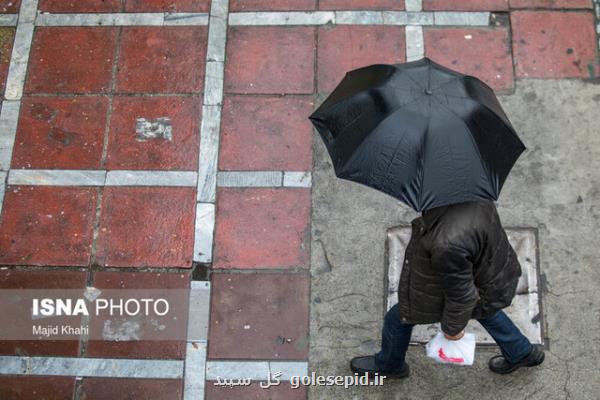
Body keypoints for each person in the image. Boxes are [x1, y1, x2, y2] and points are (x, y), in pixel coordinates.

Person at [350, 200, 544, 378]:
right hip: (488, 274)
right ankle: (521, 352)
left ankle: (389, 366)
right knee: (484, 309)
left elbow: (462, 296)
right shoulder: (479, 197)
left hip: (463, 282)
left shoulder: (447, 242)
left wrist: (452, 330)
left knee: (397, 319)